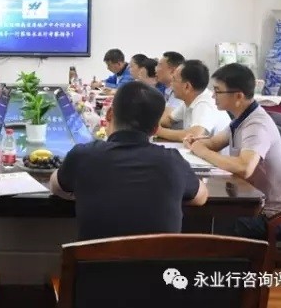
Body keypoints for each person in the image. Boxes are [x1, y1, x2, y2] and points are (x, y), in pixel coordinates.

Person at [50, 81, 208, 240]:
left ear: (109, 114)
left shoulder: (83, 155)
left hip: (96, 257)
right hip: (157, 257)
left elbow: (56, 186)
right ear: (155, 129)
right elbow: (201, 197)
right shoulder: (173, 162)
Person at [184, 63, 281, 239]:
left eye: (217, 91)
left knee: (200, 223)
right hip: (249, 203)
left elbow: (244, 167)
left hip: (269, 218)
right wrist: (197, 143)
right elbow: (214, 143)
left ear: (238, 96)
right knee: (195, 218)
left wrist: (201, 150)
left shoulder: (257, 124)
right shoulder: (241, 118)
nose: (213, 96)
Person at [157, 60, 231, 142]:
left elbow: (194, 135)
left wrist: (158, 131)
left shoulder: (204, 103)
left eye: (174, 80)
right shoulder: (189, 100)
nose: (171, 84)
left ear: (187, 86)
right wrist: (150, 126)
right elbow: (168, 120)